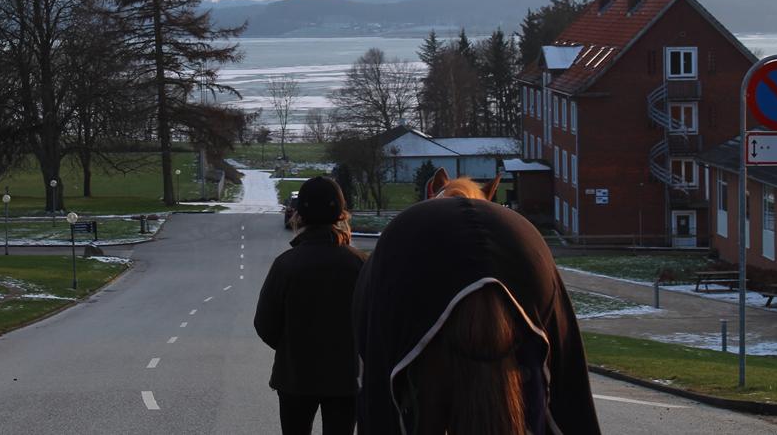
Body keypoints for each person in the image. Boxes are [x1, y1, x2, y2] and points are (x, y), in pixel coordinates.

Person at [352, 197, 601, 435]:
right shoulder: (521, 233)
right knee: (564, 378)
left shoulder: (399, 241)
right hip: (522, 246)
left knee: (380, 389)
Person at [254, 176, 367, 435]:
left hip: (294, 377)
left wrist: (291, 346)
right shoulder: (359, 264)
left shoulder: (286, 264)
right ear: (340, 213)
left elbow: (265, 324)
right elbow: (374, 321)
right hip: (345, 378)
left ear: (299, 214)